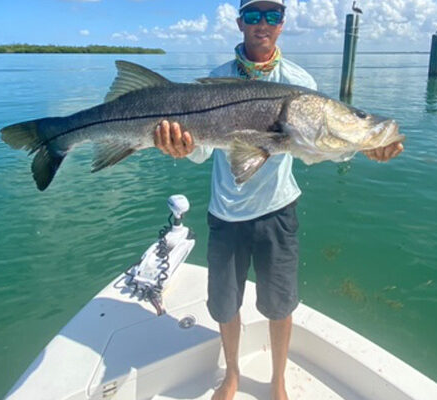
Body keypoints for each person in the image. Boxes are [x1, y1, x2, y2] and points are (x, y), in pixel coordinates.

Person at [153, 1, 404, 399]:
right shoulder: (216, 80)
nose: (263, 24)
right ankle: (232, 375)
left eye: (272, 15)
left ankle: (278, 380)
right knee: (225, 305)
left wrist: (364, 145)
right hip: (225, 212)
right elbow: (201, 150)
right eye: (253, 15)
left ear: (283, 24)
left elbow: (316, 147)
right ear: (240, 23)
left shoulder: (299, 83)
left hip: (278, 212)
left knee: (280, 304)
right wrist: (179, 147)